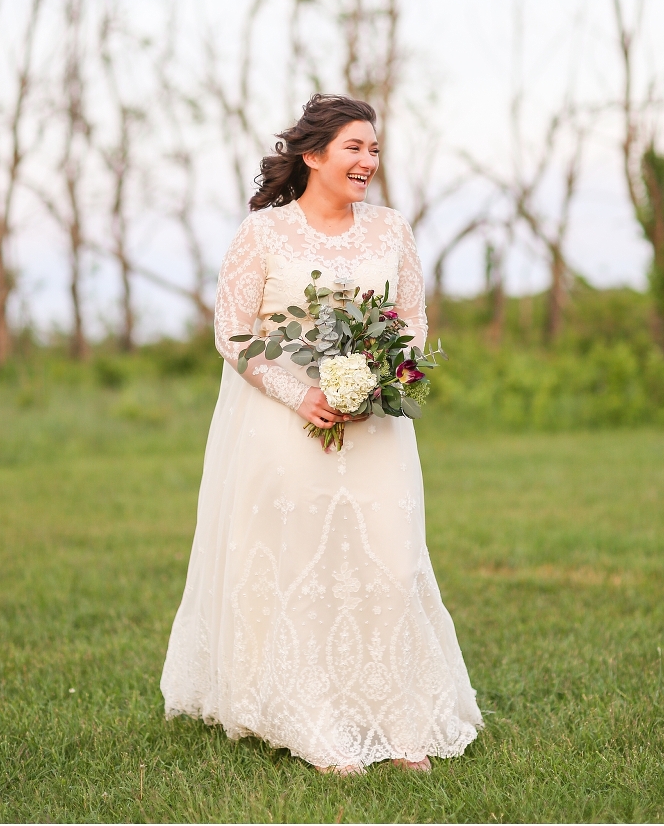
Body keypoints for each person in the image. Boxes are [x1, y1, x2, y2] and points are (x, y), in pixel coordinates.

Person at [161, 93, 482, 774]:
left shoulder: (392, 229)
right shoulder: (263, 234)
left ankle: (400, 721)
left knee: (391, 566)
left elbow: (413, 321)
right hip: (286, 422)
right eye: (354, 147)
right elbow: (234, 330)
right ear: (313, 155)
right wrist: (299, 393)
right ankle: (313, 722)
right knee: (303, 568)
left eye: (374, 148)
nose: (369, 160)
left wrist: (378, 380)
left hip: (374, 424)